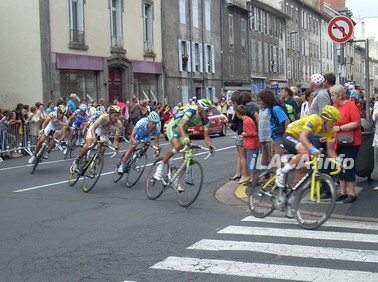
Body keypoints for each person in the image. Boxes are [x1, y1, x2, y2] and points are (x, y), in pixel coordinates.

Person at [276, 105, 342, 217]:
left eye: (335, 123)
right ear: (325, 119)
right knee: (306, 152)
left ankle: (288, 203)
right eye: (332, 122)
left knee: (301, 177)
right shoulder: (315, 119)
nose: (333, 125)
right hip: (291, 134)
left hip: (301, 141)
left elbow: (330, 150)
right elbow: (302, 137)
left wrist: (338, 161)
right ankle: (282, 171)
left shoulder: (329, 131)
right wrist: (312, 149)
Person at [153, 99, 215, 184]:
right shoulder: (192, 111)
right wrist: (185, 138)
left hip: (183, 131)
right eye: (206, 111)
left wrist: (210, 146)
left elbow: (206, 137)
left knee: (188, 154)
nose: (208, 113)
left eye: (209, 111)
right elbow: (181, 126)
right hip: (174, 127)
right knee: (177, 146)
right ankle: (160, 167)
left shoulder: (205, 120)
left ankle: (176, 178)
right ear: (200, 109)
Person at [331, 84, 362, 203]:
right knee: (340, 166)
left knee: (348, 166)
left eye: (333, 95)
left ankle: (352, 193)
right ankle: (343, 192)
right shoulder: (334, 107)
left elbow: (356, 123)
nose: (332, 97)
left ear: (339, 96)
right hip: (338, 141)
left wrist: (339, 128)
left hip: (351, 142)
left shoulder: (350, 105)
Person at [70, 105, 122, 172]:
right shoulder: (103, 117)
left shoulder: (119, 124)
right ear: (110, 114)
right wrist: (94, 138)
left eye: (118, 115)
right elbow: (93, 128)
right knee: (90, 145)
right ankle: (77, 160)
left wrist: (116, 147)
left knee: (103, 148)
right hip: (95, 129)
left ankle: (94, 167)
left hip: (104, 133)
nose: (117, 118)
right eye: (115, 115)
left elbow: (116, 140)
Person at [236, 105, 259, 182]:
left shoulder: (246, 121)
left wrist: (244, 134)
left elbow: (253, 133)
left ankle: (253, 179)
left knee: (251, 162)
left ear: (238, 113)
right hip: (251, 144)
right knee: (251, 161)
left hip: (251, 144)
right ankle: (253, 178)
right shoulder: (248, 120)